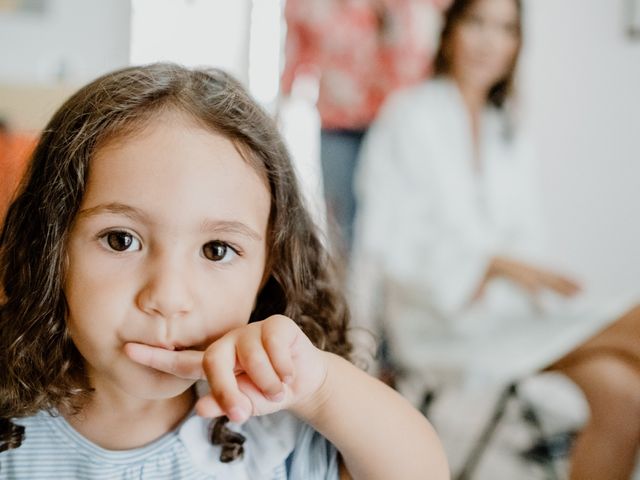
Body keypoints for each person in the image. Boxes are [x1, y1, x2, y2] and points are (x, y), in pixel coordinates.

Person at [0, 63, 448, 479]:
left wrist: (320, 390)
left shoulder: (277, 430)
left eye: (216, 250)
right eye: (122, 240)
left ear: (269, 266)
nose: (169, 297)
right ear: (50, 244)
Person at [351, 0, 640, 479]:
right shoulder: (408, 116)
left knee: (624, 399)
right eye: (478, 24)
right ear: (452, 31)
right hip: (436, 322)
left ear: (517, 44)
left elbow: (527, 242)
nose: (489, 42)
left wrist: (521, 273)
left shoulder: (507, 128)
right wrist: (491, 265)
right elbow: (389, 245)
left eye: (505, 29)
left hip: (511, 316)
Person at [281, 0, 450, 254]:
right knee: (341, 229)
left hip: (398, 124)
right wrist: (281, 107)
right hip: (338, 124)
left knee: (397, 226)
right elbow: (297, 46)